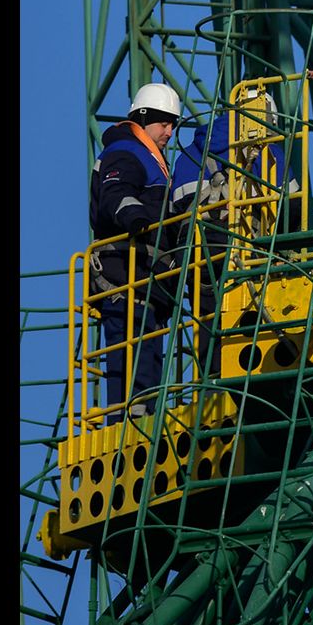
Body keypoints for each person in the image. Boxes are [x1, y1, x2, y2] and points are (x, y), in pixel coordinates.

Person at [89, 80, 185, 416]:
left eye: (173, 125)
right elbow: (115, 196)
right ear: (144, 119)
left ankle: (141, 414)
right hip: (124, 274)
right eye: (165, 123)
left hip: (147, 280)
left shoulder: (150, 160)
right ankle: (125, 421)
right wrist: (135, 217)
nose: (170, 132)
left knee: (147, 356)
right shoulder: (127, 154)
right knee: (130, 355)